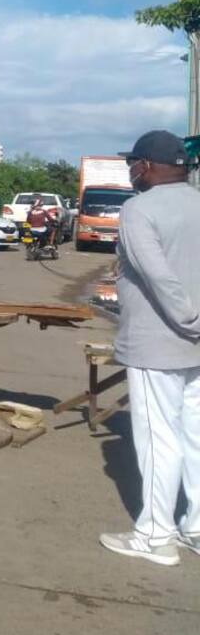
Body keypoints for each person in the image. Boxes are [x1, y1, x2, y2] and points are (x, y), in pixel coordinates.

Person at [100, 130, 200, 567]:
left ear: (146, 166)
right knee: (196, 437)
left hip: (161, 342)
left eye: (132, 164)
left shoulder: (138, 210)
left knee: (160, 438)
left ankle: (156, 535)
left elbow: (157, 275)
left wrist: (189, 321)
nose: (130, 171)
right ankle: (195, 526)